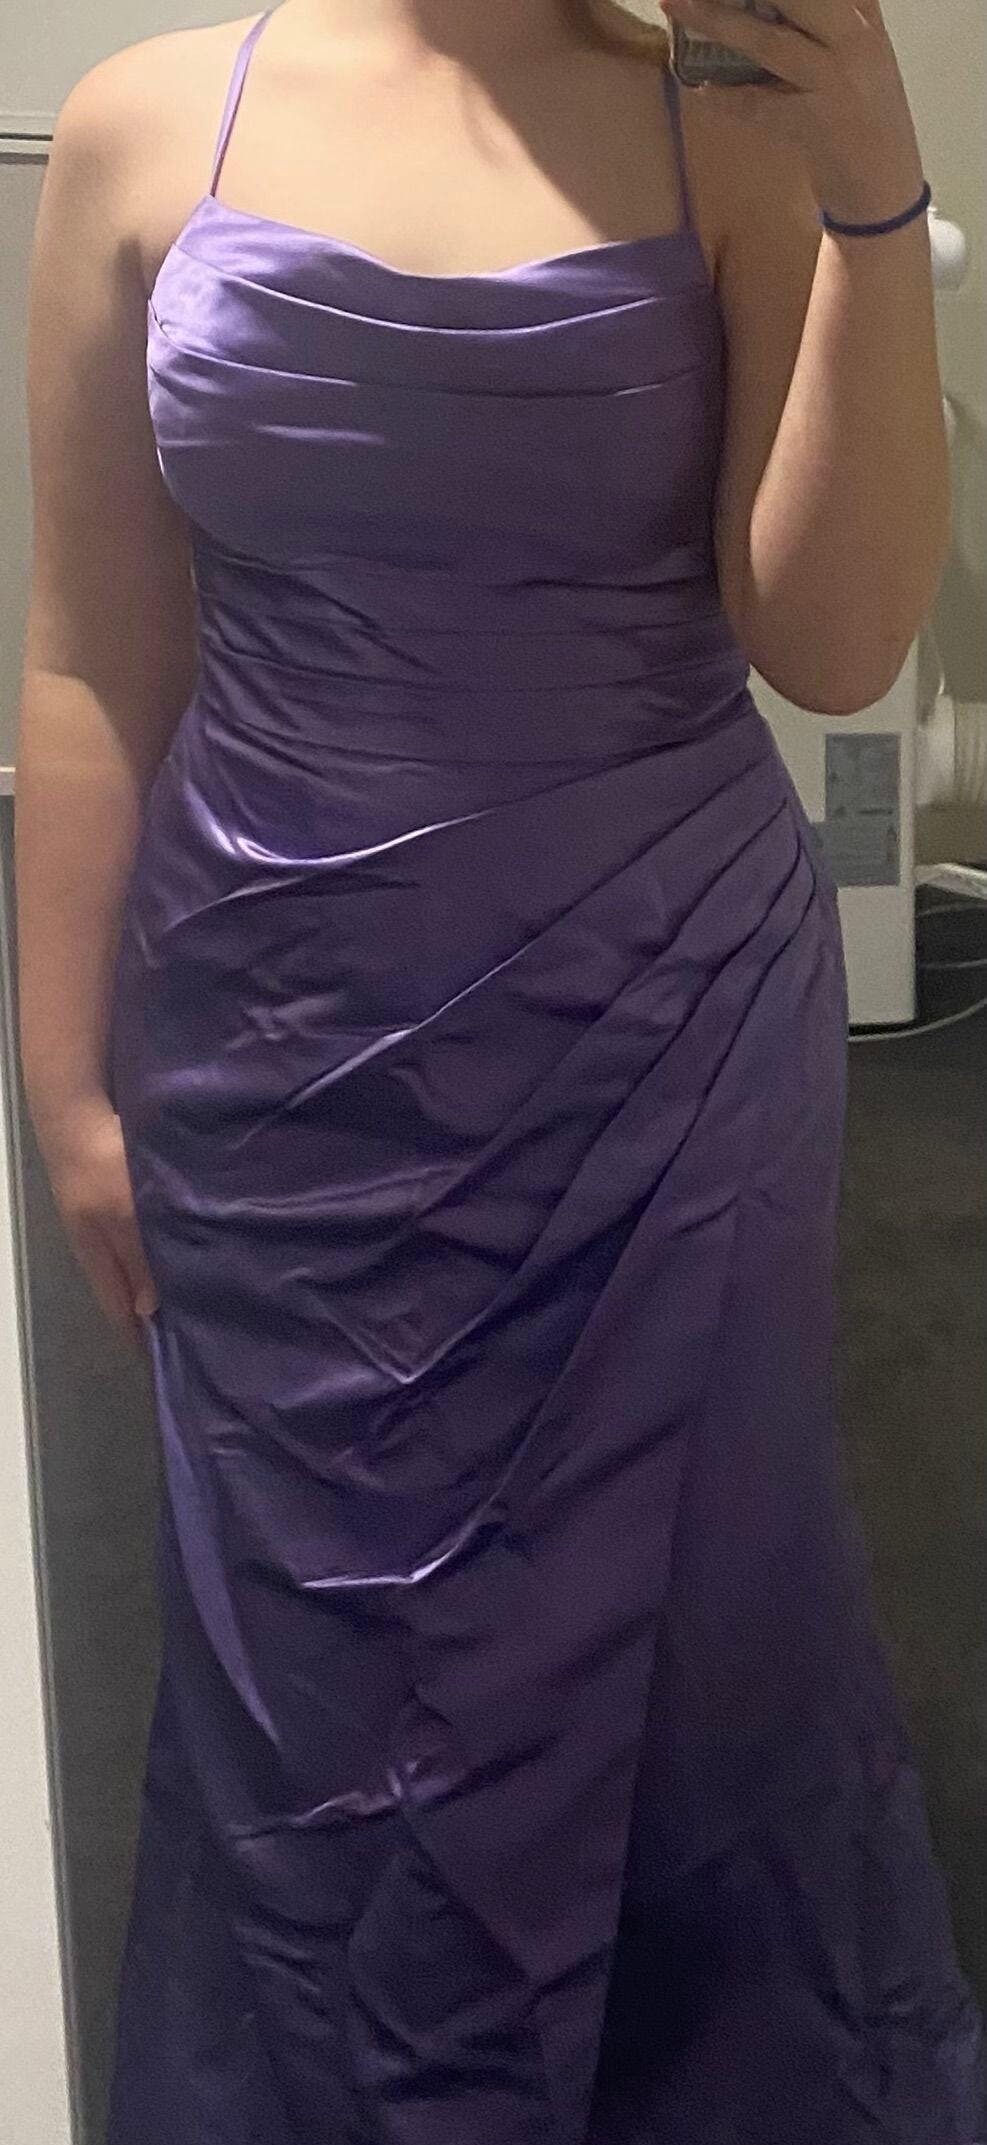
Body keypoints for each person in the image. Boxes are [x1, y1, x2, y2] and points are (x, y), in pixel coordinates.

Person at [15, 1, 985, 2137]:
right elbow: (88, 649)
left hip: (661, 1042)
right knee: (311, 1669)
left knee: (699, 1643)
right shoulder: (140, 129)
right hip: (282, 1053)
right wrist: (64, 1074)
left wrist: (867, 179)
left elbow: (835, 647)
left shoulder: (726, 126)